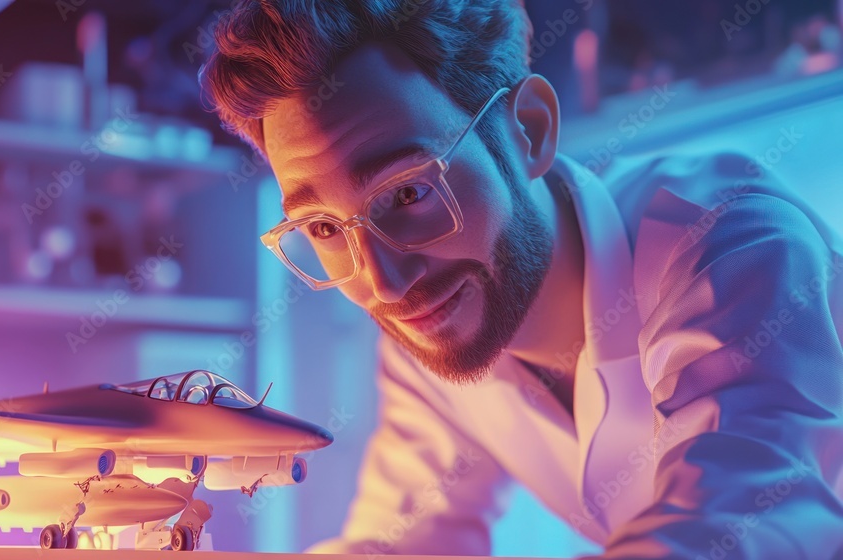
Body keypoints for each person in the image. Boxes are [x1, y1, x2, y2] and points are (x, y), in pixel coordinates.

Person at [198, 1, 843, 557]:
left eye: (410, 192)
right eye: (323, 229)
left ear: (529, 130)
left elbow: (742, 517)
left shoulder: (726, 240)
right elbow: (405, 542)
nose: (386, 285)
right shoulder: (431, 333)